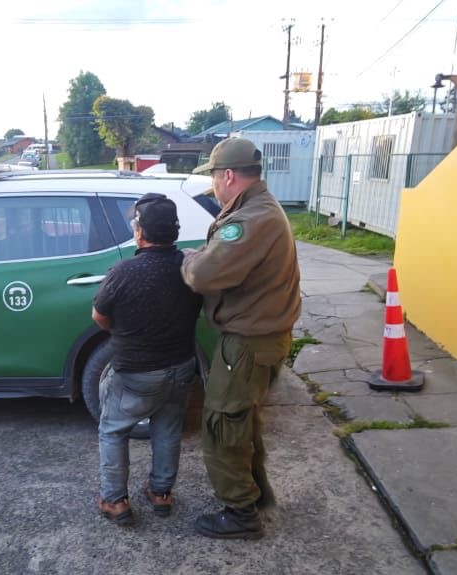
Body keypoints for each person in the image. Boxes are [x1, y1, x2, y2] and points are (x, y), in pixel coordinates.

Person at [182, 137, 302, 540]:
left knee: (222, 425)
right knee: (243, 422)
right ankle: (256, 495)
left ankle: (240, 514)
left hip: (249, 342)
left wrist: (188, 261)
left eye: (214, 177)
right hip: (260, 339)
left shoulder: (252, 220)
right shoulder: (257, 211)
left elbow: (203, 275)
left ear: (228, 175)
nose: (213, 186)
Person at [91, 193, 203, 526]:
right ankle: (160, 493)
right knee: (167, 430)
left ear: (140, 231)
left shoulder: (124, 272)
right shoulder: (189, 268)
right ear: (174, 231)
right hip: (182, 367)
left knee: (113, 431)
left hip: (136, 372)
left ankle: (115, 501)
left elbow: (99, 316)